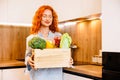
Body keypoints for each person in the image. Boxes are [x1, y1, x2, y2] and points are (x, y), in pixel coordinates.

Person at [25, 5, 73, 80]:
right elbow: (28, 56)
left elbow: (63, 54)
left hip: (56, 75)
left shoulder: (58, 36)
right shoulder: (31, 38)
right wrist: (28, 60)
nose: (47, 19)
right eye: (44, 16)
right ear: (39, 18)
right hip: (39, 76)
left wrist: (69, 59)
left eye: (50, 16)